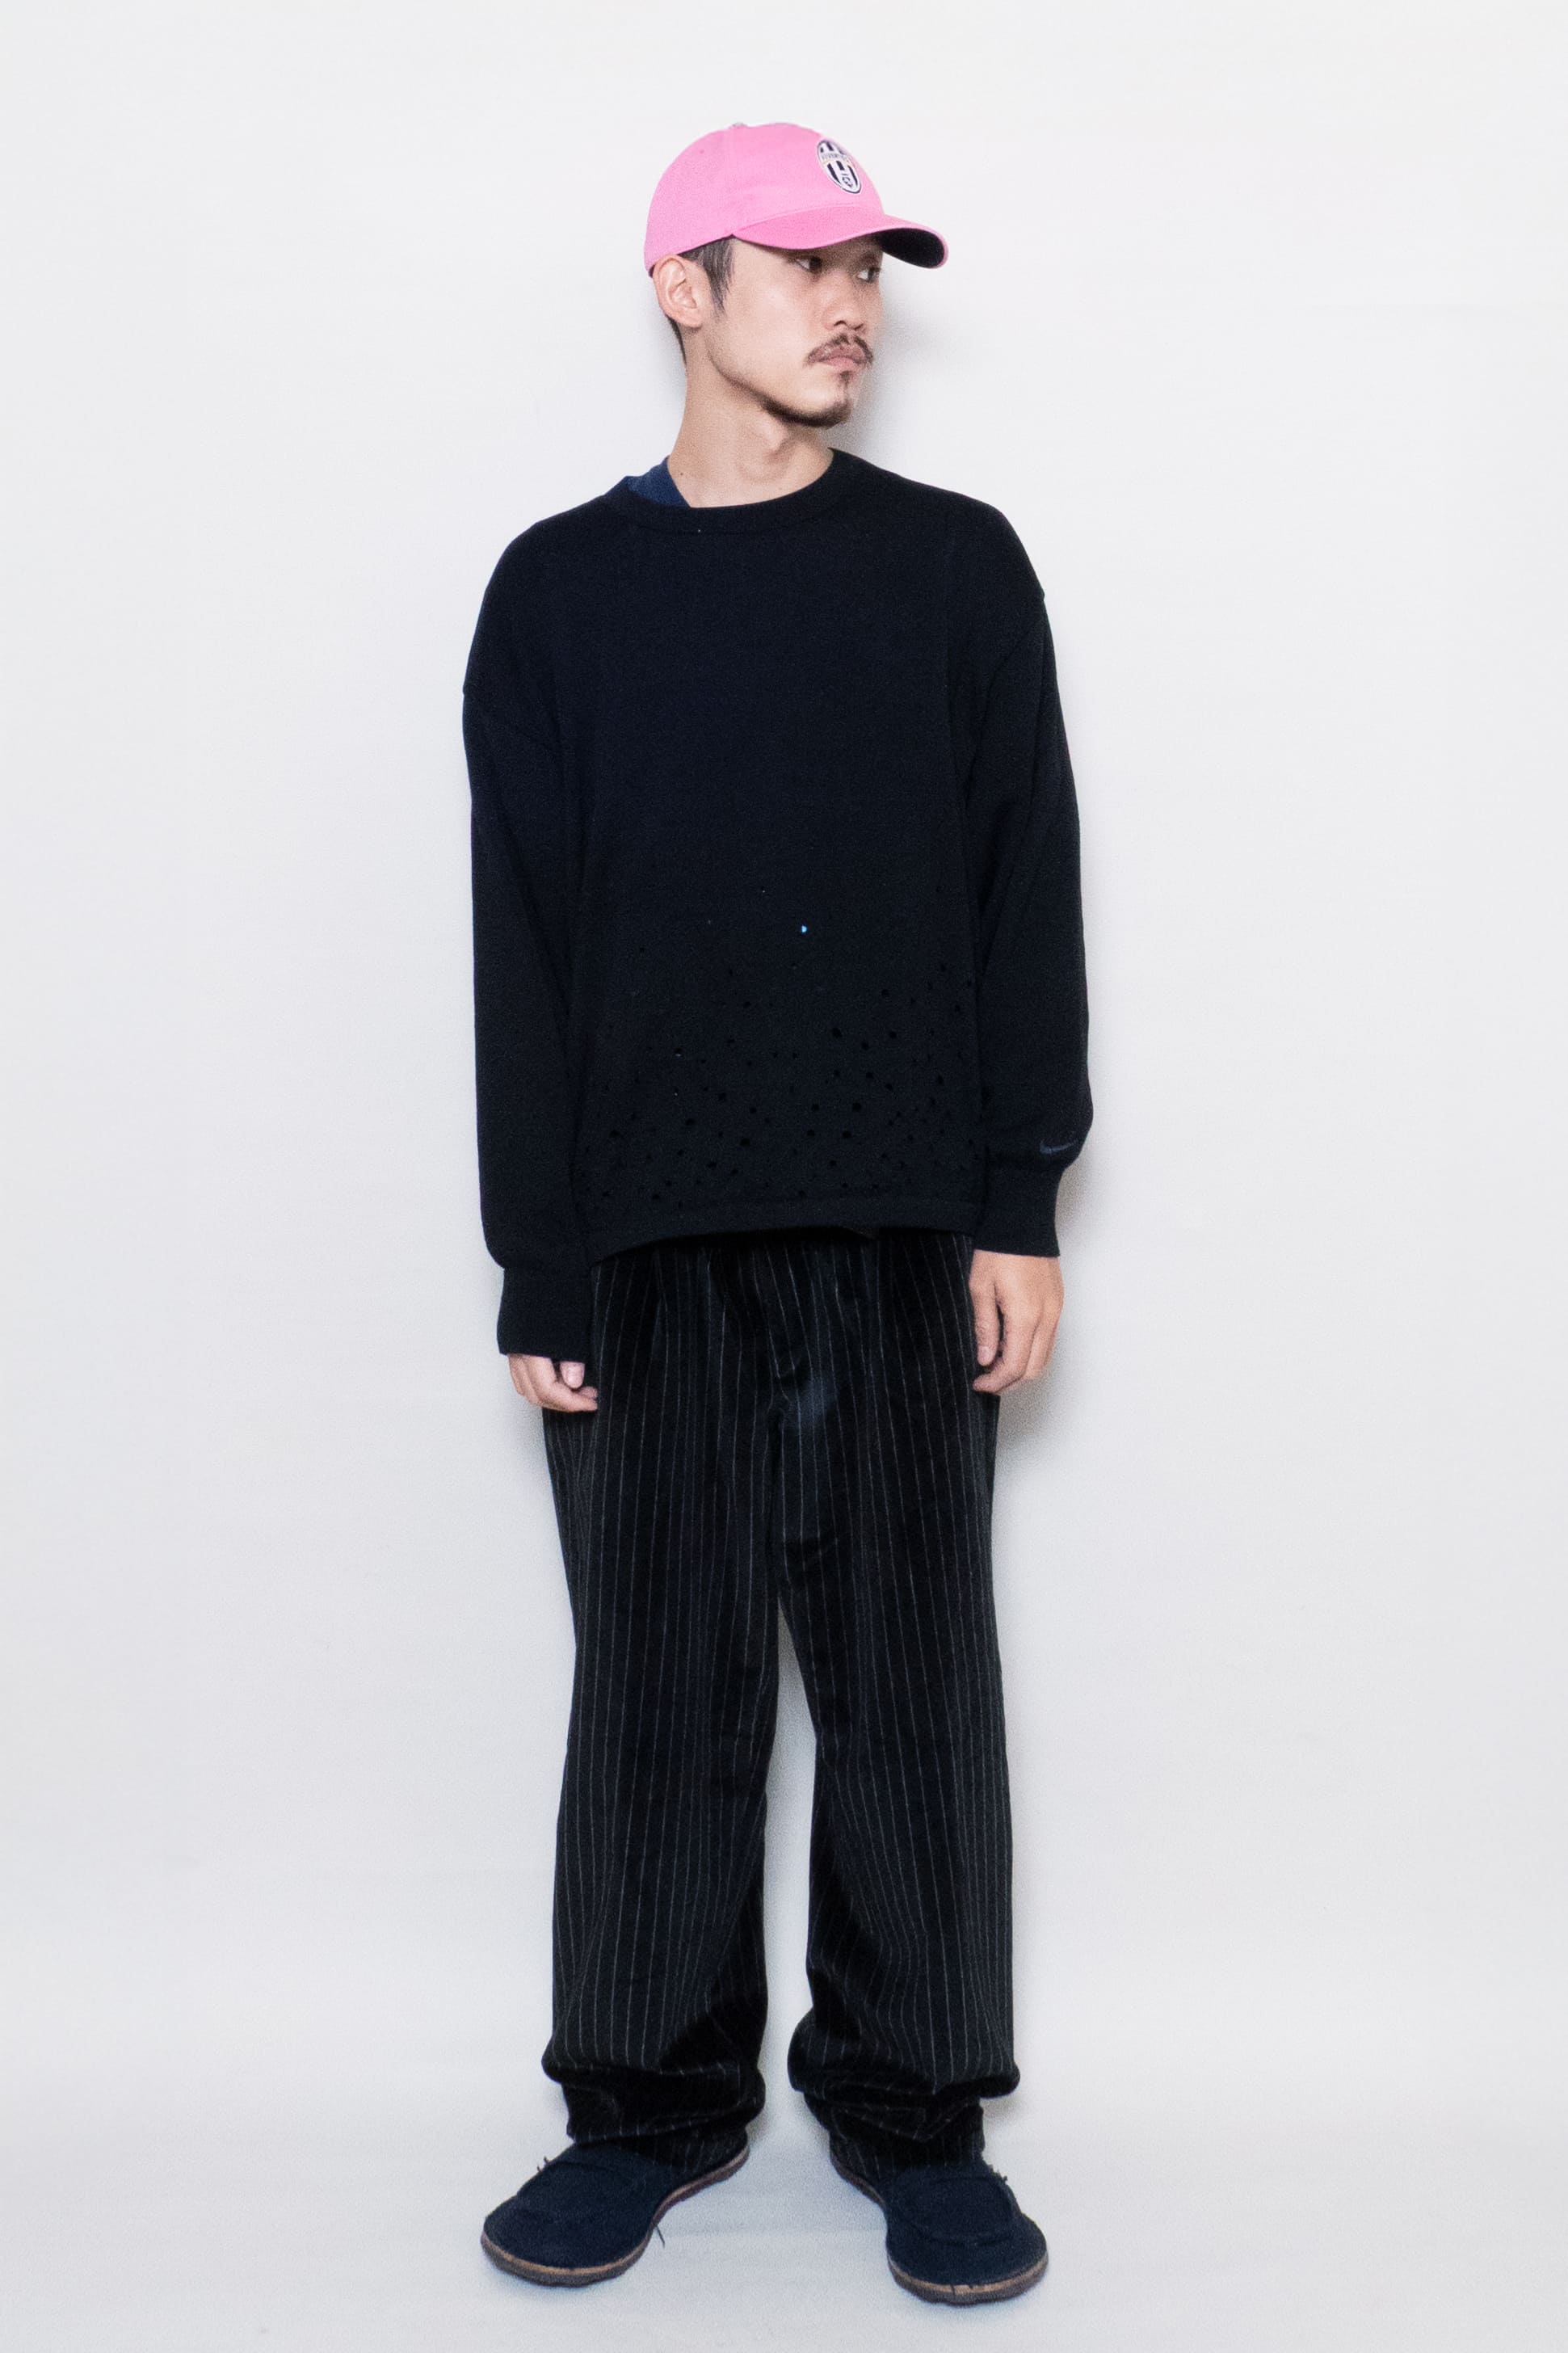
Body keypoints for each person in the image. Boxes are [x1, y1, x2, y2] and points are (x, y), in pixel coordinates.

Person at [461, 119, 1092, 2309]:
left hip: (909, 1221)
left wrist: (1019, 1199)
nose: (850, 307)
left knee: (911, 1689)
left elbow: (1025, 888)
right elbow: (524, 941)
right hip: (644, 1235)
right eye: (803, 264)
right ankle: (646, 2111)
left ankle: (917, 2115)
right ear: (683, 288)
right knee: (662, 1688)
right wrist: (539, 1253)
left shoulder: (954, 569)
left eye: (868, 270)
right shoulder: (560, 592)